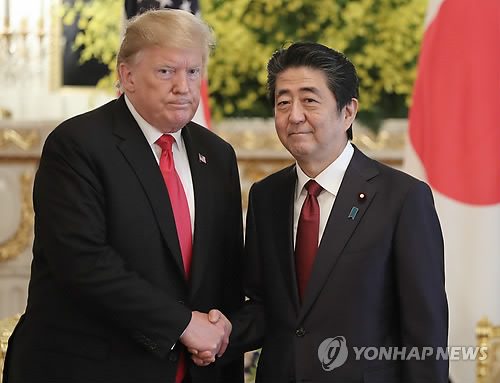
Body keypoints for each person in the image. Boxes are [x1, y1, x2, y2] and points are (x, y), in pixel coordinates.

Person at [3, 9, 243, 383]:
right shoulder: (77, 145)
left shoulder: (218, 155)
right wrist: (182, 324)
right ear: (127, 76)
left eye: (193, 71)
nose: (183, 85)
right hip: (90, 368)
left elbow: (224, 269)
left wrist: (219, 329)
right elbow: (82, 263)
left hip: (194, 370)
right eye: (166, 71)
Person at [194, 42, 449, 382]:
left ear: (348, 112)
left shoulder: (402, 198)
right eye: (283, 102)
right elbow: (264, 306)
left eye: (309, 100)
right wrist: (220, 332)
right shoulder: (265, 196)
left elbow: (425, 331)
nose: (294, 115)